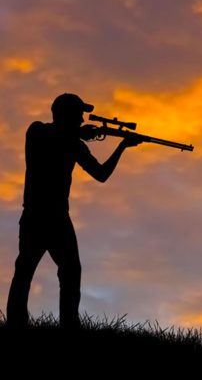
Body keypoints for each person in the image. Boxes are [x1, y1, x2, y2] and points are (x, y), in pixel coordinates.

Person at [5, 93, 142, 329]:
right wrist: (80, 135)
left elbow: (101, 175)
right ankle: (17, 323)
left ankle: (69, 324)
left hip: (58, 217)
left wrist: (122, 147)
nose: (81, 119)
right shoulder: (38, 131)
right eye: (78, 114)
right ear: (65, 115)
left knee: (69, 271)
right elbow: (56, 138)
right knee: (26, 269)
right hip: (38, 214)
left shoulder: (75, 145)